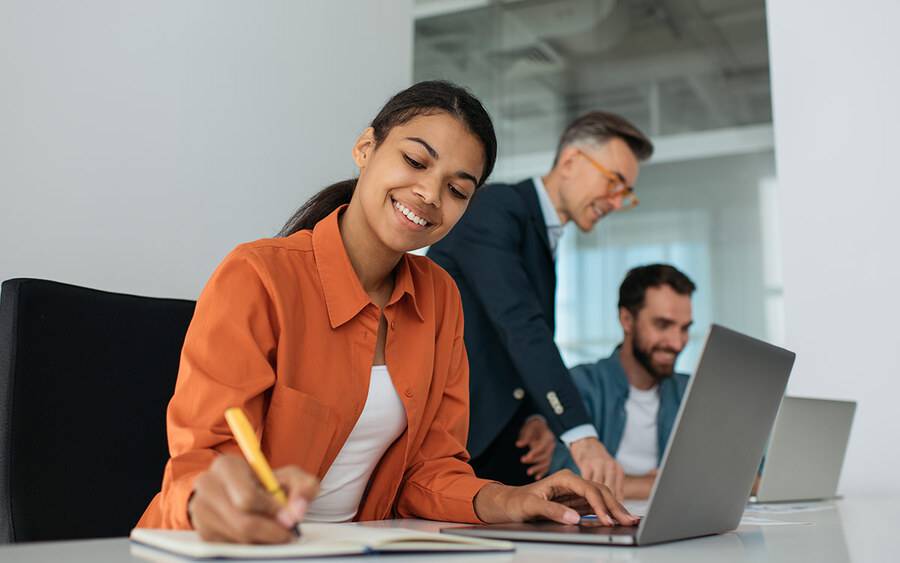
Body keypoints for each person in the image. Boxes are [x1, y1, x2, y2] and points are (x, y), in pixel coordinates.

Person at [136, 81, 636, 544]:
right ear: (365, 148)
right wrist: (213, 498)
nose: (430, 194)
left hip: (350, 548)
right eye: (416, 161)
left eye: (458, 190)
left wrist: (513, 498)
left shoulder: (440, 298)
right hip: (221, 548)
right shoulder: (258, 276)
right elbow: (201, 462)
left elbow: (430, 471)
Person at [427, 112, 654, 494]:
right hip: (455, 443)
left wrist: (538, 415)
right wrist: (581, 436)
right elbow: (519, 324)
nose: (617, 202)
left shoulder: (540, 232)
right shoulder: (495, 208)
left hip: (503, 445)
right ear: (570, 161)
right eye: (614, 182)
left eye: (625, 193)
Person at [549, 264, 696, 499]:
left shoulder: (693, 392)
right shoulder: (577, 385)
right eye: (663, 325)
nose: (677, 343)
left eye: (685, 329)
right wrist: (661, 486)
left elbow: (746, 478)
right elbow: (562, 483)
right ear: (627, 319)